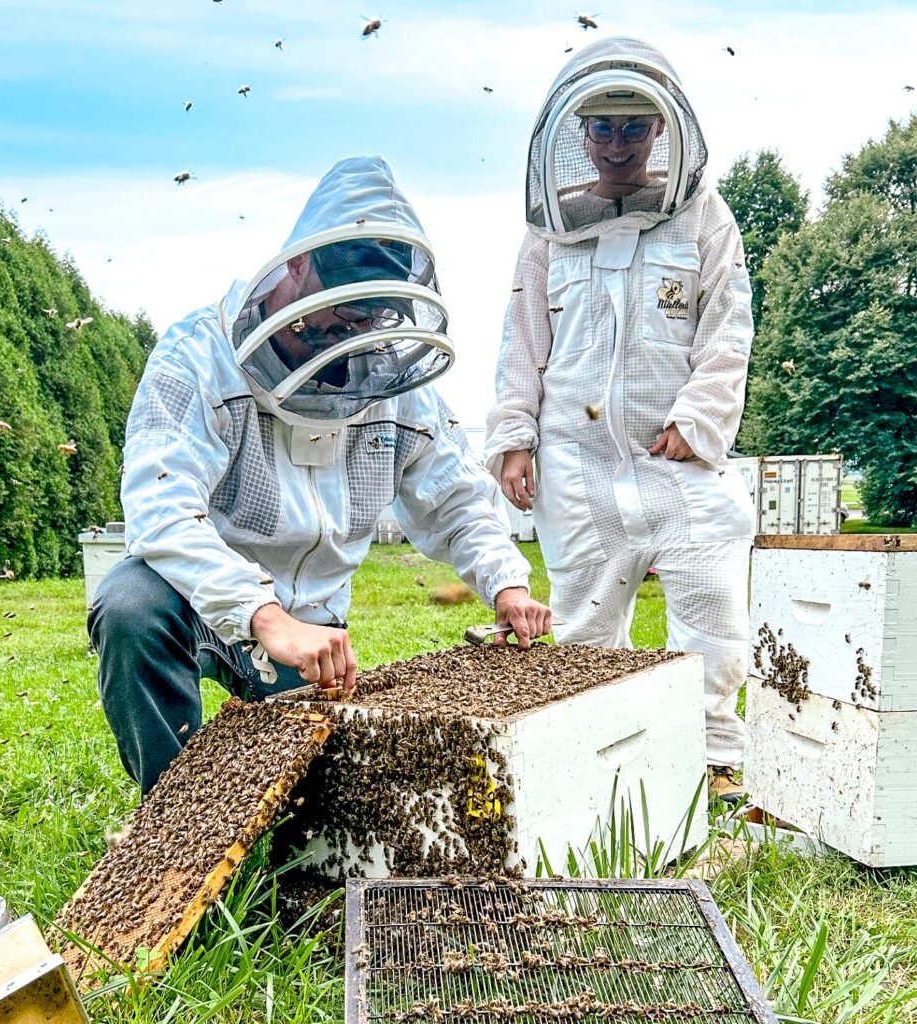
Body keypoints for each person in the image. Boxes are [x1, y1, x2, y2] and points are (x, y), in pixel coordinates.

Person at [91, 155, 552, 795]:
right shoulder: (198, 356)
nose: (354, 332)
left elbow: (455, 497)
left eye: (370, 318)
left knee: (314, 817)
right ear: (301, 267)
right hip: (205, 603)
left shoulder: (388, 379)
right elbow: (162, 510)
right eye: (344, 314)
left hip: (314, 629)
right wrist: (265, 616)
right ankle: (173, 809)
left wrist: (506, 585)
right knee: (130, 604)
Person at [485, 38, 755, 805]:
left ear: (661, 131)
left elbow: (727, 325)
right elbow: (522, 337)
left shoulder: (703, 214)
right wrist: (513, 436)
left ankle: (711, 755)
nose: (616, 144)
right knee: (582, 614)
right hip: (575, 455)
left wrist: (699, 421)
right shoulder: (549, 229)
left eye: (633, 128)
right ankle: (591, 754)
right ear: (577, 134)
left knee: (710, 597)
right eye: (601, 128)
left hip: (673, 454)